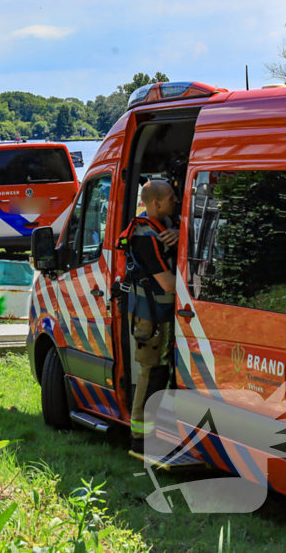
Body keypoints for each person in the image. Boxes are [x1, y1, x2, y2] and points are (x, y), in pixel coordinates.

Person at [119, 180, 179, 456]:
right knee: (152, 374)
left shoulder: (162, 225)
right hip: (152, 318)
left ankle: (157, 435)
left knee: (162, 373)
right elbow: (168, 283)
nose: (175, 201)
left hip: (161, 315)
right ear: (156, 204)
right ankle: (140, 440)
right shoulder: (145, 237)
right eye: (170, 198)